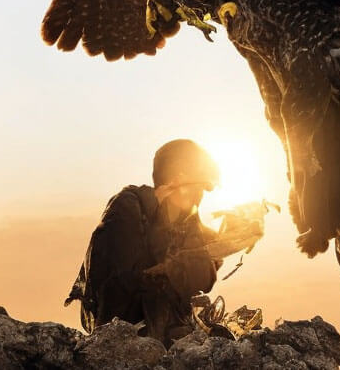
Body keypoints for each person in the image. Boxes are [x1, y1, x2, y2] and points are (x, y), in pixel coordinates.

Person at [65, 138, 262, 345]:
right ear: (179, 179)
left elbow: (201, 275)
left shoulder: (187, 222)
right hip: (125, 341)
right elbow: (124, 285)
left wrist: (231, 240)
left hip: (168, 339)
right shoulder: (129, 208)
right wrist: (180, 265)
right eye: (199, 187)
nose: (200, 197)